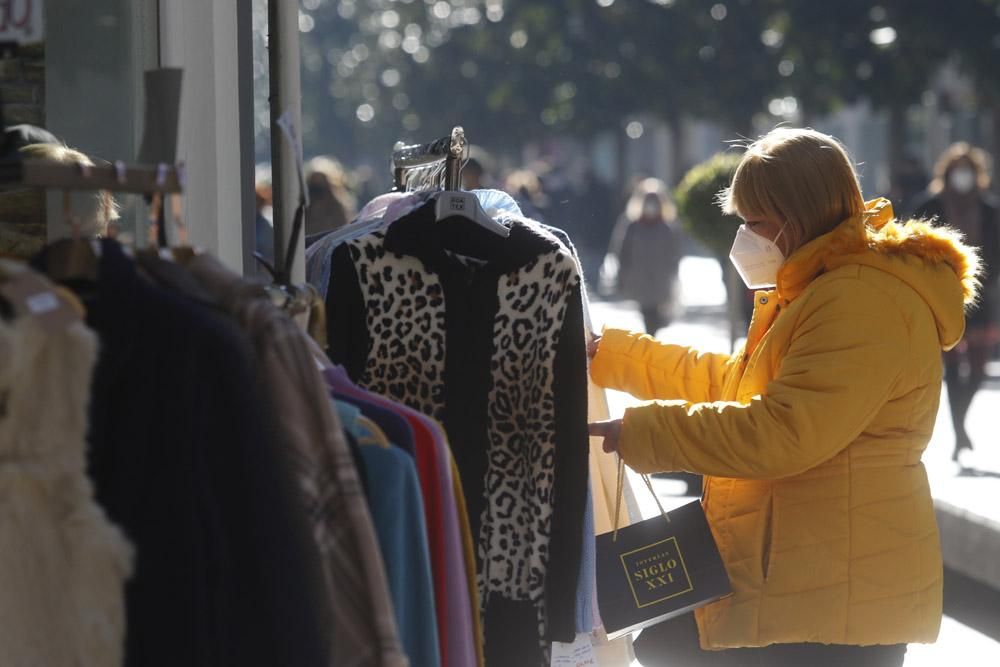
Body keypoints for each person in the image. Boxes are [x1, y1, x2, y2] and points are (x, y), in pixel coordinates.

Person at [588, 128, 980, 666]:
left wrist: (647, 432)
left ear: (797, 216)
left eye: (754, 222)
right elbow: (736, 382)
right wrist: (613, 356)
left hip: (833, 601)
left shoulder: (859, 298)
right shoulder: (823, 287)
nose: (744, 237)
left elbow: (784, 430)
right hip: (809, 587)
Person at [914, 143, 999, 462]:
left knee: (978, 367)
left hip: (981, 296)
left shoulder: (990, 209)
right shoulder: (931, 204)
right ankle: (959, 432)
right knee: (952, 366)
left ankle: (961, 424)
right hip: (942, 294)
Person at [609, 178, 682, 335]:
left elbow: (675, 253)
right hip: (639, 279)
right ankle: (651, 337)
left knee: (656, 314)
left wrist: (673, 275)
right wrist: (621, 276)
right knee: (647, 312)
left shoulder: (667, 227)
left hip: (660, 281)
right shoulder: (632, 226)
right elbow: (621, 251)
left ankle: (652, 337)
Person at [304, 156, 356, 236]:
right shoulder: (304, 209)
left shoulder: (339, 209)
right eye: (314, 189)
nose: (317, 195)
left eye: (321, 188)